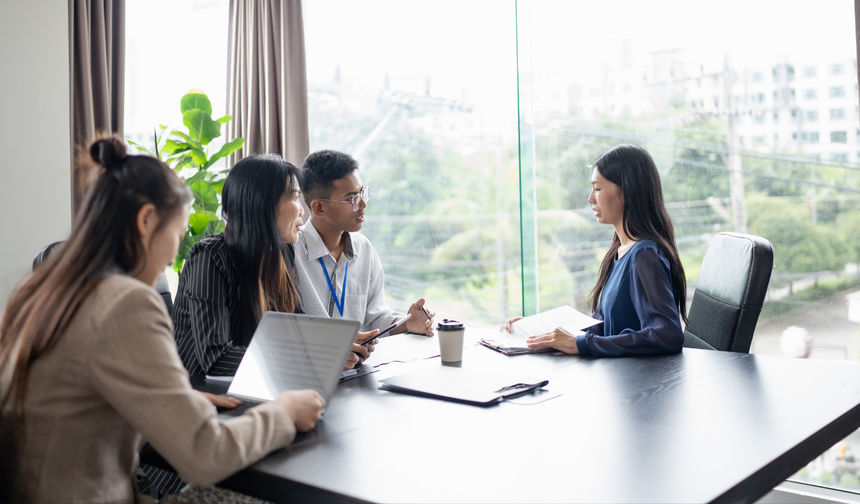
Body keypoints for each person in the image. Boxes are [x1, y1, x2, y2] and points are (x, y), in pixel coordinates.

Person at [0, 136, 325, 503]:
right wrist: (284, 413)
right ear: (146, 221)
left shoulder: (40, 292)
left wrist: (179, 399)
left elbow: (81, 400)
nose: (174, 256)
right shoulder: (125, 302)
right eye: (178, 231)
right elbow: (205, 454)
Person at [173, 154, 377, 377]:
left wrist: (339, 343)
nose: (302, 210)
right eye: (295, 198)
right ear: (262, 204)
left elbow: (297, 329)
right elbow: (216, 358)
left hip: (258, 387)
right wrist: (318, 354)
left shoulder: (282, 253)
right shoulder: (210, 256)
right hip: (206, 396)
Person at [504, 144, 687, 356]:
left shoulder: (644, 254)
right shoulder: (620, 251)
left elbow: (668, 335)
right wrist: (539, 329)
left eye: (598, 189)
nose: (591, 198)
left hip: (638, 383)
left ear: (627, 192)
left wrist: (585, 344)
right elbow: (605, 324)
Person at [295, 150, 435, 346]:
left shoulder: (364, 249)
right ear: (319, 208)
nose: (363, 204)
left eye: (362, 193)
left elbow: (375, 318)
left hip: (358, 365)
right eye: (351, 198)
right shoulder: (291, 252)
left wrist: (406, 323)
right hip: (313, 367)